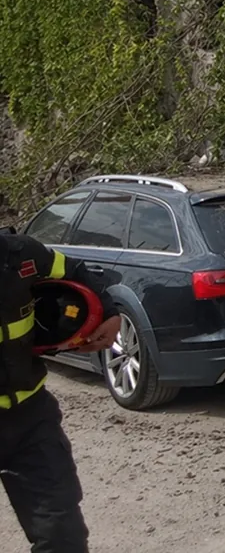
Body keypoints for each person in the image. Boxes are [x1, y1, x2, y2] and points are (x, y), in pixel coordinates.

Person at [0, 231, 120, 553]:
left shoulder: (20, 255)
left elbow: (74, 270)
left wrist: (108, 313)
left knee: (62, 536)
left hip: (30, 419)